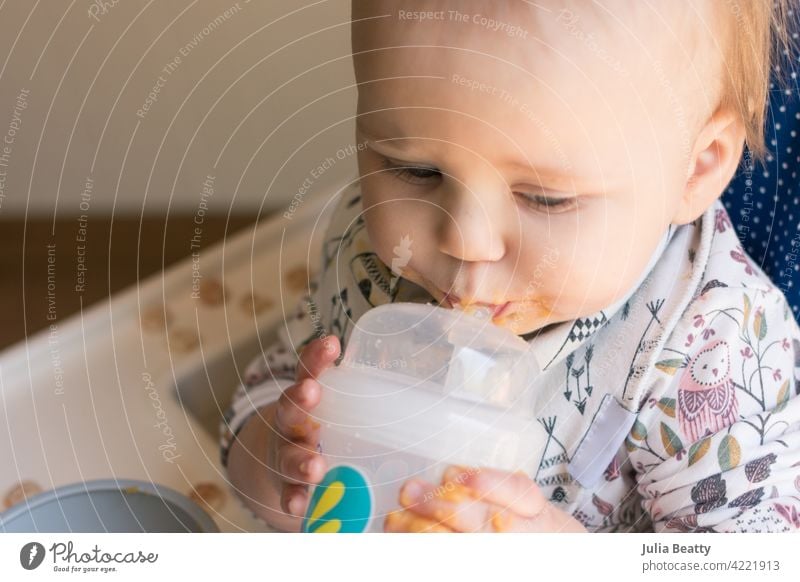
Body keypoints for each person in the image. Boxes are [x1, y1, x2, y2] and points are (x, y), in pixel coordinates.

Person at [221, 0, 800, 532]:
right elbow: (260, 396)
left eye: (546, 198)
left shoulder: (716, 349)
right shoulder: (374, 256)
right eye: (415, 171)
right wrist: (278, 462)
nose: (463, 241)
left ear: (695, 169)